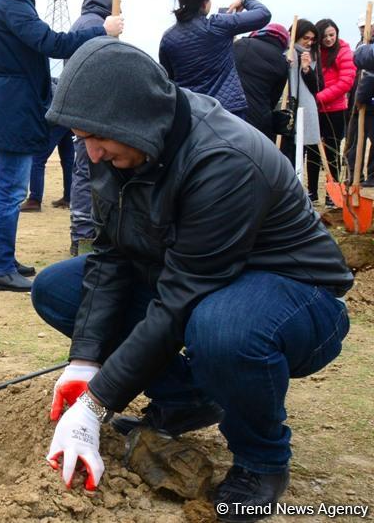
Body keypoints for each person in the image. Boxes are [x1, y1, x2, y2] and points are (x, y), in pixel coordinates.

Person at [32, 38, 351, 521]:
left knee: (220, 327)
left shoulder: (224, 158)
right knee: (59, 289)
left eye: (96, 137)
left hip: (294, 295)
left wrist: (95, 405)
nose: (91, 153)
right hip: (200, 282)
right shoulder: (121, 150)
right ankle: (186, 401)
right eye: (81, 138)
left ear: (135, 118)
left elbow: (181, 300)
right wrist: (85, 359)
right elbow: (111, 255)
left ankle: (262, 459)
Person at [0, 0, 123, 292]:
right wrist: (103, 30)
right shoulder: (12, 1)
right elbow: (50, 42)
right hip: (15, 104)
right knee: (10, 189)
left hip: (8, 101)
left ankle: (3, 259)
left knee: (2, 186)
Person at [66, 0, 129, 256]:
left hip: (87, 110)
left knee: (90, 170)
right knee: (88, 171)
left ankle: (88, 230)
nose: (123, 4)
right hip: (92, 112)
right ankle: (83, 233)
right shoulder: (93, 27)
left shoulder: (86, 23)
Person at [158, 0, 272, 116]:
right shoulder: (218, 24)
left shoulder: (168, 38)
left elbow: (169, 78)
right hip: (227, 110)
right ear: (205, 2)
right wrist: (244, 1)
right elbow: (263, 14)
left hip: (192, 112)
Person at [314, 18, 355, 207]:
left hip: (335, 109)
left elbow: (346, 81)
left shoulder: (344, 51)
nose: (329, 39)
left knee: (332, 152)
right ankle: (312, 192)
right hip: (315, 110)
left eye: (332, 35)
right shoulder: (314, 52)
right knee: (312, 151)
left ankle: (334, 194)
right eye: (325, 36)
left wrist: (320, 97)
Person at [280, 21, 322, 199]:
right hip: (287, 106)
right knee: (288, 148)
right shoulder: (285, 52)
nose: (309, 42)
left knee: (311, 147)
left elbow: (317, 87)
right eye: (306, 38)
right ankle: (290, 188)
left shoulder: (312, 55)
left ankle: (312, 191)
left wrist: (306, 69)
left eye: (312, 39)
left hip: (307, 106)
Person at [21, 77, 73, 213]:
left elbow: (49, 103)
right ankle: (69, 197)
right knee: (68, 161)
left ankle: (34, 200)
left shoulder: (37, 81)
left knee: (37, 159)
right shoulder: (49, 78)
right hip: (68, 120)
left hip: (56, 120)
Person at [231, 24, 290, 141]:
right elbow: (273, 99)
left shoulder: (242, 44)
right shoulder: (283, 63)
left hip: (232, 110)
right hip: (259, 118)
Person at [344, 16, 374, 185]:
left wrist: (361, 97)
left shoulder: (366, 50)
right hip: (360, 101)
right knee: (355, 141)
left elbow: (369, 75)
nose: (364, 30)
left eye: (367, 27)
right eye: (362, 27)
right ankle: (354, 176)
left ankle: (369, 178)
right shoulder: (361, 46)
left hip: (366, 101)